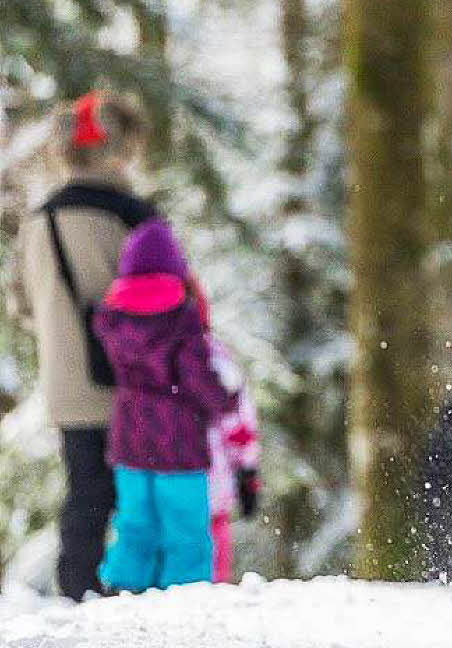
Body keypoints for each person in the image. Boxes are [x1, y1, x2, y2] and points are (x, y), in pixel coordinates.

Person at [8, 91, 158, 600]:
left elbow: (21, 304)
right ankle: (142, 585)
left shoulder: (38, 220)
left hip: (67, 381)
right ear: (122, 150)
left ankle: (77, 587)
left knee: (86, 489)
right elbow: (170, 300)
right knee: (143, 492)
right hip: (138, 384)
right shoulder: (135, 217)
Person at [92, 218, 236, 592]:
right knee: (186, 527)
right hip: (179, 443)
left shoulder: (110, 318)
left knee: (135, 523)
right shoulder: (181, 317)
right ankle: (186, 598)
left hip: (129, 439)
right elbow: (196, 377)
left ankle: (124, 588)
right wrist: (224, 401)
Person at [188, 276, 262, 583]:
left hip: (161, 476)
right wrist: (248, 473)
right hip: (213, 477)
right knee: (213, 555)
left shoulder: (143, 358)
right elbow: (238, 423)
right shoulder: (214, 358)